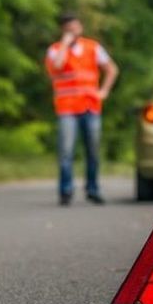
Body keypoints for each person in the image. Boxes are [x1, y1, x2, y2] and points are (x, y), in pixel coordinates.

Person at [45, 13, 119, 206]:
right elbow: (57, 65)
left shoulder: (92, 47)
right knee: (66, 152)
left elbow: (111, 69)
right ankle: (66, 191)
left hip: (90, 106)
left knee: (93, 151)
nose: (74, 30)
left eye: (76, 26)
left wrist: (103, 91)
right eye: (69, 28)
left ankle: (93, 189)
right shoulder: (55, 50)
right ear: (63, 30)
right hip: (67, 108)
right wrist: (64, 44)